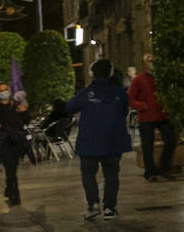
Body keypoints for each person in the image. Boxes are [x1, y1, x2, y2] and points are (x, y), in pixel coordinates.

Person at [68, 58, 131, 220]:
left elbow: (69, 108)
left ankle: (93, 205)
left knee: (88, 173)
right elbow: (125, 112)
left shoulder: (85, 94)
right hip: (113, 142)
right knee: (111, 175)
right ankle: (110, 208)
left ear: (92, 74)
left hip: (90, 143)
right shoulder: (120, 93)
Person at [128, 53, 177, 182]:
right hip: (147, 116)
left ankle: (163, 168)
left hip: (162, 115)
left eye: (153, 60)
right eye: (148, 60)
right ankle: (150, 172)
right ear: (144, 63)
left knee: (171, 140)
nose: (151, 62)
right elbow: (130, 99)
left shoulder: (162, 78)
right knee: (147, 145)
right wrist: (143, 106)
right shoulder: (138, 79)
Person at [0, 81, 30, 206]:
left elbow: (26, 121)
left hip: (16, 141)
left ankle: (9, 189)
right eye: (1, 90)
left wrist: (24, 111)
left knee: (12, 168)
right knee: (10, 167)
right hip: (3, 142)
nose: (4, 92)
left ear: (10, 91)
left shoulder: (16, 106)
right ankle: (15, 195)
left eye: (6, 89)